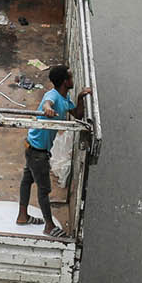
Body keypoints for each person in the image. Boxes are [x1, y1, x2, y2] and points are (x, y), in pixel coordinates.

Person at [18, 64, 91, 239]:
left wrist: (81, 97)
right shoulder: (52, 96)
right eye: (71, 77)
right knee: (44, 190)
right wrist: (47, 109)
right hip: (38, 152)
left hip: (33, 147)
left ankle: (22, 216)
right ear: (65, 82)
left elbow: (78, 115)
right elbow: (48, 104)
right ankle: (49, 226)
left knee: (27, 180)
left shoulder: (65, 99)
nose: (73, 80)